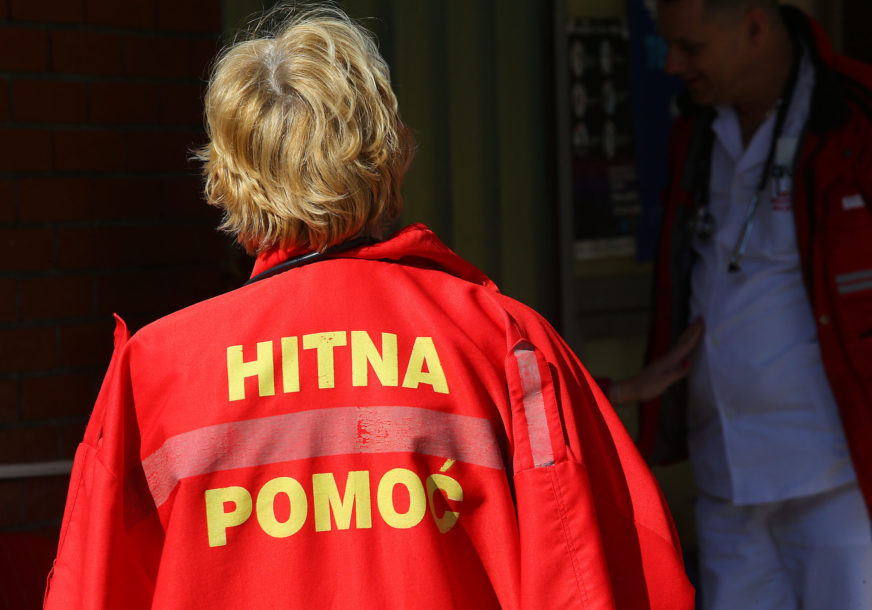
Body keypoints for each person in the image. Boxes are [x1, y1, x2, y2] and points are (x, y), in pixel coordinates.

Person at [44, 6, 693, 609]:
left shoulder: (154, 375)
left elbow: (89, 591)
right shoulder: (503, 341)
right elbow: (604, 578)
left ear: (227, 179)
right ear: (394, 155)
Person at [645, 0, 872, 608]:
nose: (671, 65)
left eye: (690, 48)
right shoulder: (694, 127)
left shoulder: (856, 112)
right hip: (723, 469)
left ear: (753, 26)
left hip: (838, 474)